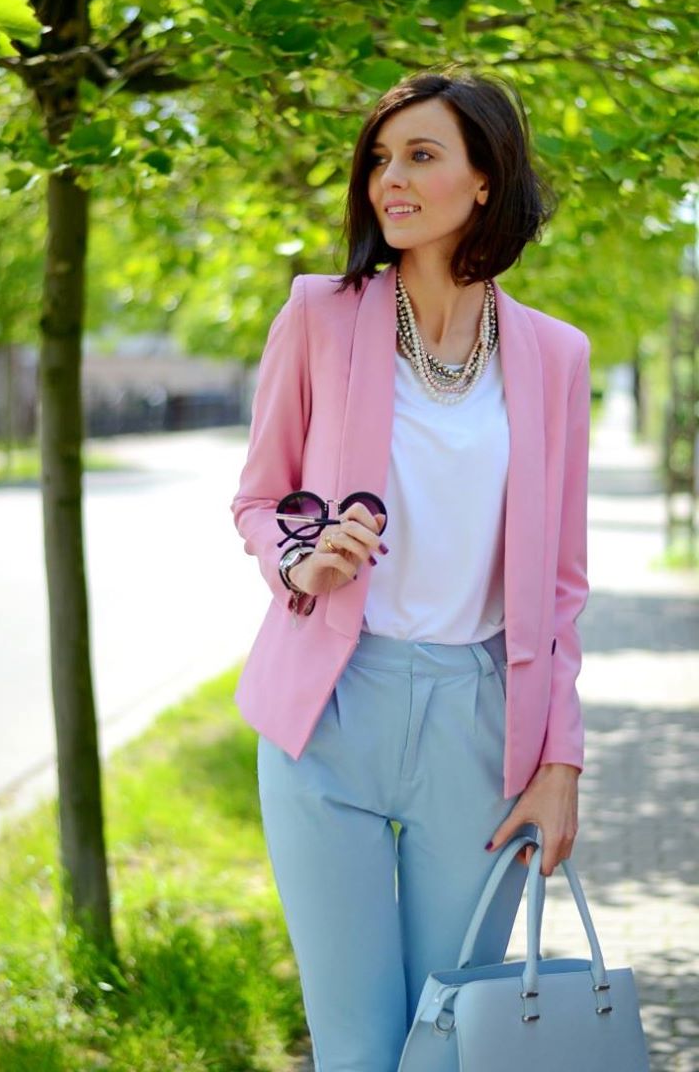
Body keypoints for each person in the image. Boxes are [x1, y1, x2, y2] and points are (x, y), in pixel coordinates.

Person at [230, 68, 591, 1072]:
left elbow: (560, 586)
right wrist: (298, 562)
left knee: (450, 1040)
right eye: (380, 158)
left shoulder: (556, 356)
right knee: (353, 1046)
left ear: (486, 180)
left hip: (483, 722)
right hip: (332, 708)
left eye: (422, 156)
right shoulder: (320, 315)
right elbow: (258, 500)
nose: (391, 178)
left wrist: (560, 762)